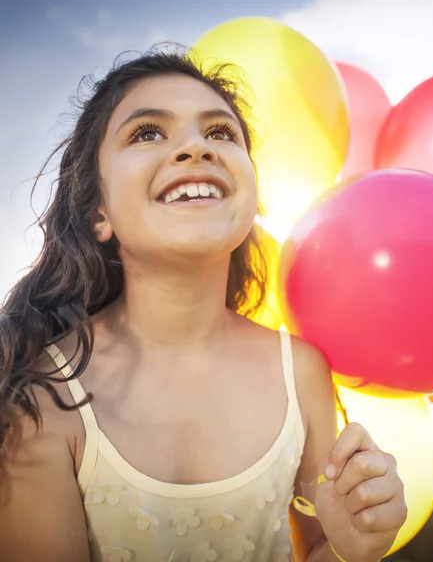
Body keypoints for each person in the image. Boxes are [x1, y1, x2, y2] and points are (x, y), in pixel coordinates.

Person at [0, 46, 406, 562]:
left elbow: (320, 547)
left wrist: (353, 547)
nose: (196, 148)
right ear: (98, 211)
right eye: (147, 133)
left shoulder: (300, 371)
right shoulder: (40, 402)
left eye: (220, 133)